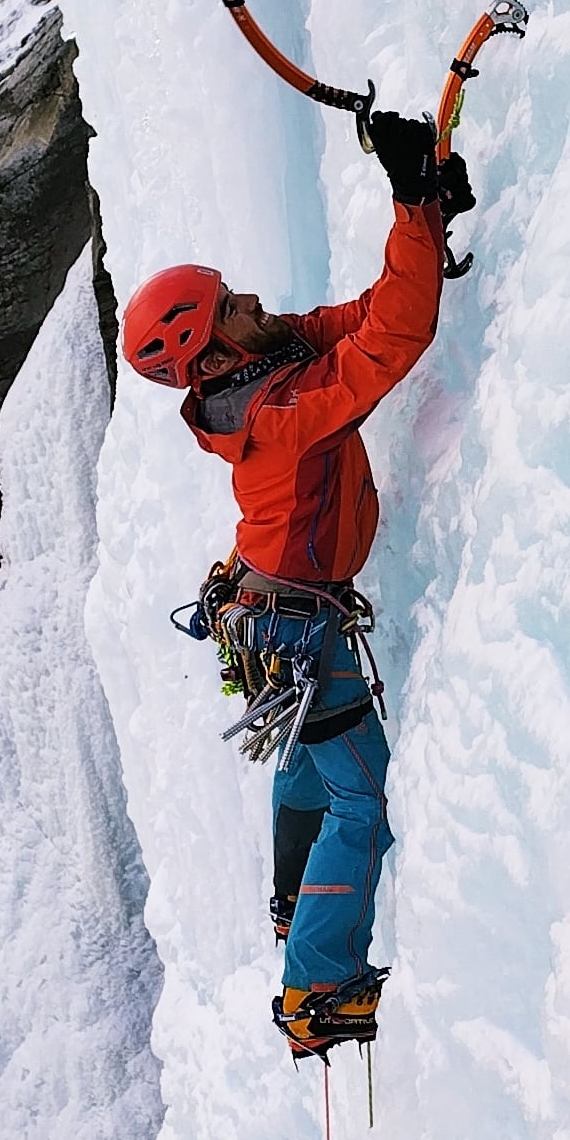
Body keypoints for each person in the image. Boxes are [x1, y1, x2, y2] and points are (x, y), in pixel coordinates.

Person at [120, 113, 474, 1057]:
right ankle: (315, 991)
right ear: (217, 350)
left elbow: (368, 315)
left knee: (313, 773)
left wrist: (422, 219)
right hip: (295, 628)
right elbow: (395, 343)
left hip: (275, 615)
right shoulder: (279, 411)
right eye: (233, 304)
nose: (253, 300)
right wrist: (412, 201)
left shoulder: (269, 361)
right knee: (361, 796)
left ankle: (295, 905)